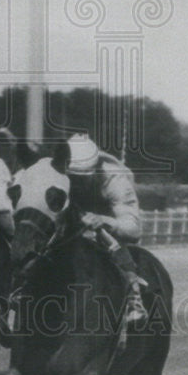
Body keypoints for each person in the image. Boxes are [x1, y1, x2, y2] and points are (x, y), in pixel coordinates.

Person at [65, 134, 147, 325]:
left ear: (94, 170)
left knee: (110, 241)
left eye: (80, 178)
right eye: (71, 177)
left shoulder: (114, 178)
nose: (75, 183)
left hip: (105, 221)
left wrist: (104, 221)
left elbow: (134, 230)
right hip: (72, 215)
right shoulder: (59, 171)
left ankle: (134, 298)